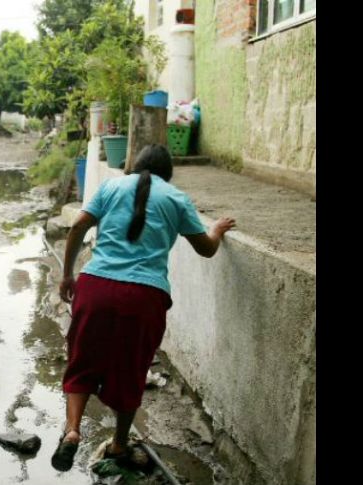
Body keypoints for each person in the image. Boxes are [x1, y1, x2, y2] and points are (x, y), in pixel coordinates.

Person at [51, 144, 236, 472]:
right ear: (169, 172)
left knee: (81, 362)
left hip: (95, 288)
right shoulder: (176, 199)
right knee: (130, 370)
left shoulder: (110, 187)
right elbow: (206, 249)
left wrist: (68, 275)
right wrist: (217, 230)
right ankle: (120, 445)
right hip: (144, 298)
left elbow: (78, 227)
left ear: (132, 166)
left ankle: (72, 431)